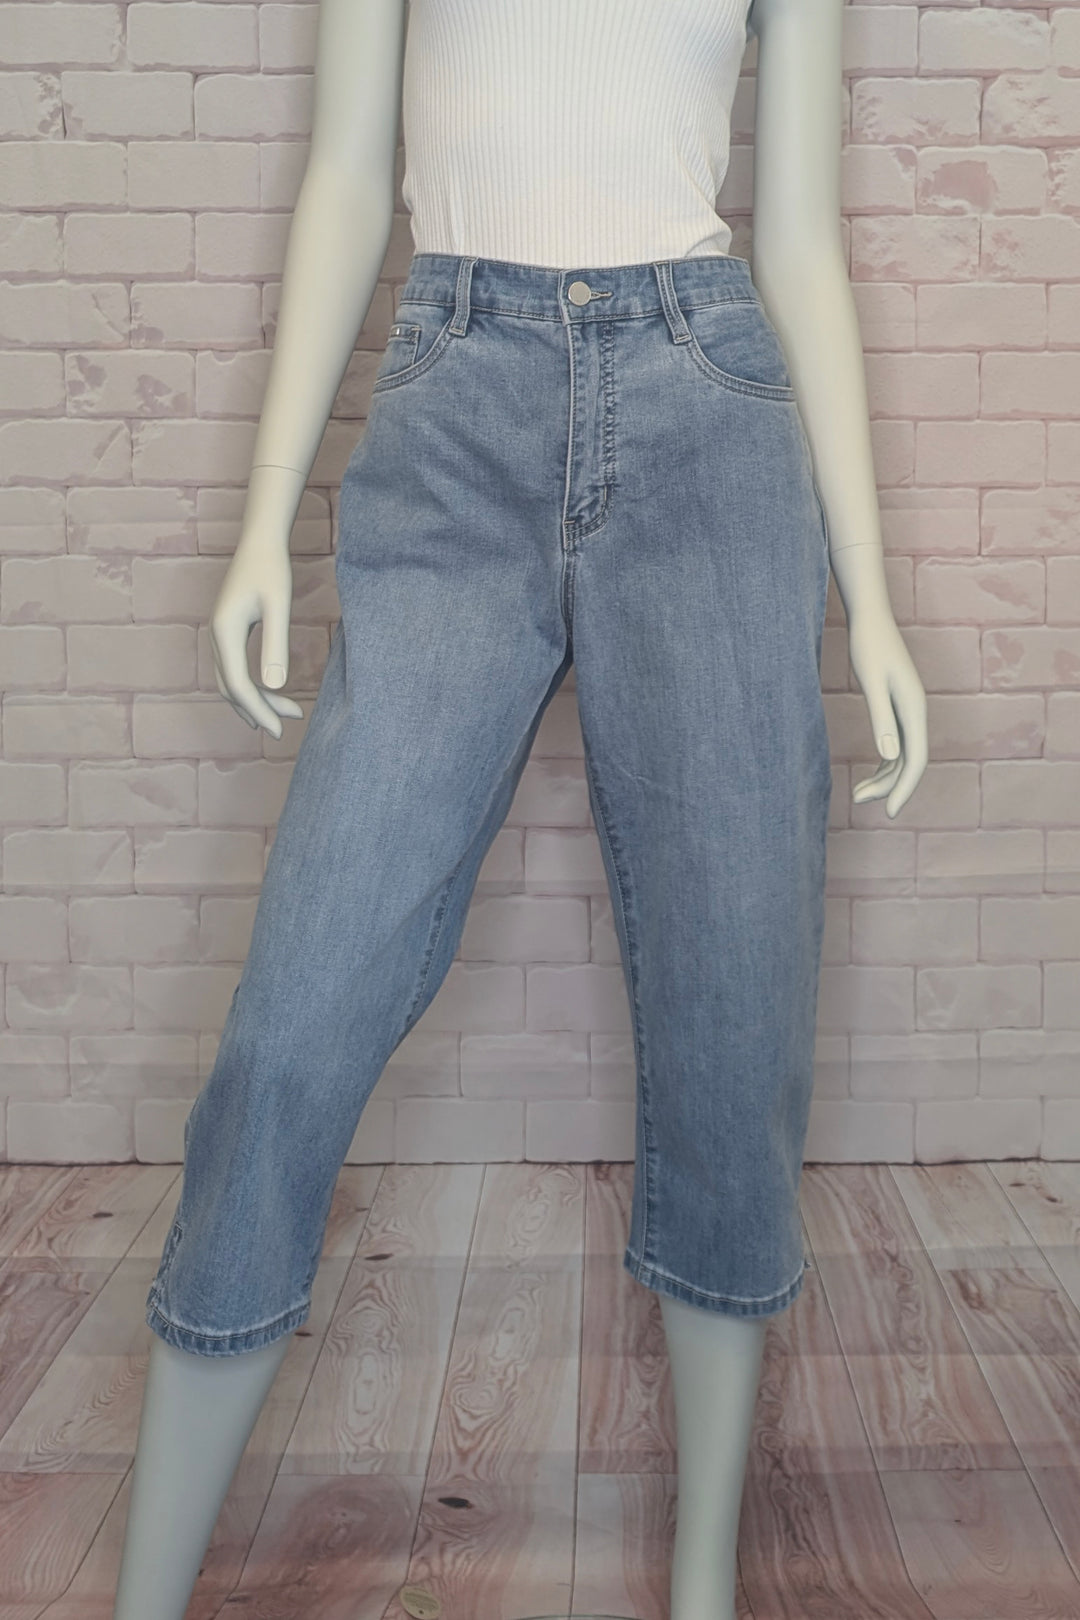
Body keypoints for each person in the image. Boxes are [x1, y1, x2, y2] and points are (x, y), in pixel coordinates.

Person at [113, 1, 929, 1616]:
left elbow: (806, 242)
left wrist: (875, 594)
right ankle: (141, 1588)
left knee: (731, 1006)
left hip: (708, 416)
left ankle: (701, 1577)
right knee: (297, 1015)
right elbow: (347, 176)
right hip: (453, 402)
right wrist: (264, 513)